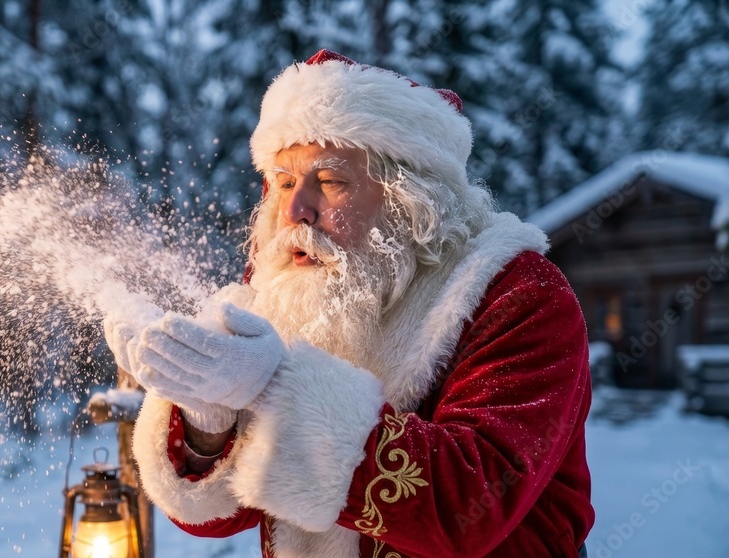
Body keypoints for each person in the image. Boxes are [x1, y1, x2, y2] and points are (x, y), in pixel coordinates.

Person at [104, 49, 593, 558]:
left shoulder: (517, 293)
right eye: (284, 182)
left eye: (329, 181)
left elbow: (471, 505)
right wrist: (208, 420)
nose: (296, 210)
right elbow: (222, 514)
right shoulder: (285, 291)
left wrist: (272, 386)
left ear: (411, 198)